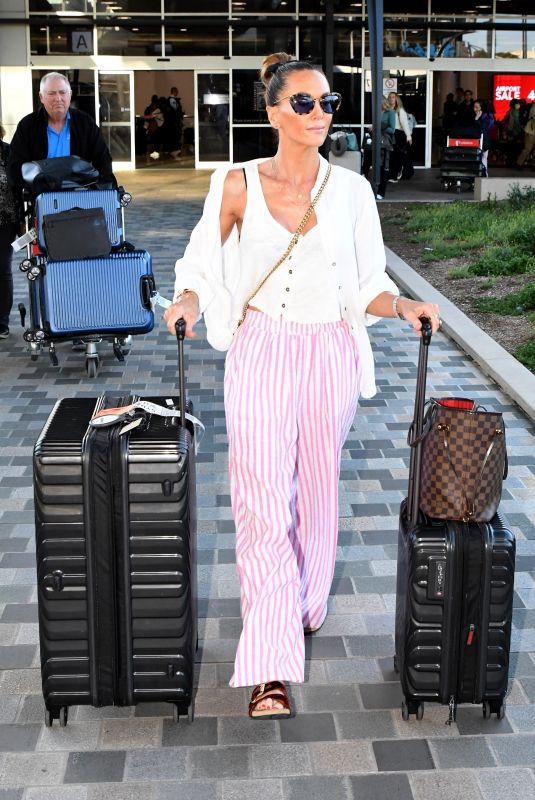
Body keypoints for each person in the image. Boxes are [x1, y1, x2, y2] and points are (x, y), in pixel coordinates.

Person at [163, 52, 441, 719]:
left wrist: (400, 306)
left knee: (315, 490)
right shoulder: (236, 183)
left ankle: (302, 600)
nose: (319, 114)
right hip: (260, 347)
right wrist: (189, 301)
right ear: (273, 111)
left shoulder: (350, 193)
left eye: (327, 103)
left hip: (329, 351)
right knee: (260, 500)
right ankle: (269, 663)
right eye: (305, 103)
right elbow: (200, 260)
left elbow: (369, 282)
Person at [7, 72, 114, 195]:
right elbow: (15, 167)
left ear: (70, 95)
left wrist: (96, 192)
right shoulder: (27, 126)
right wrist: (28, 192)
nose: (58, 98)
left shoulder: (85, 123)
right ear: (41, 97)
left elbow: (103, 161)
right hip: (41, 197)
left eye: (62, 92)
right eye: (51, 93)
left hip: (79, 195)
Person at [0, 123, 20, 339]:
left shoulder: (7, 152)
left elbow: (17, 186)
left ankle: (2, 323)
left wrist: (23, 220)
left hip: (5, 220)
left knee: (2, 268)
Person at [386, 92, 412, 182]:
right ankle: (391, 174)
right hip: (390, 134)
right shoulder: (387, 109)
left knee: (395, 156)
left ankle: (394, 175)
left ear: (396, 99)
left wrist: (408, 136)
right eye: (389, 97)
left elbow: (405, 124)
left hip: (398, 134)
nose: (391, 99)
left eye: (393, 97)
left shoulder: (400, 110)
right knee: (390, 156)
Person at [375, 97, 396, 200]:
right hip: (377, 141)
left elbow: (392, 129)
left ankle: (381, 191)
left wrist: (380, 126)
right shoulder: (377, 112)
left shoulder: (390, 112)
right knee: (376, 165)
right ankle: (376, 189)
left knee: (384, 167)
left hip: (386, 143)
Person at [474, 99, 494, 176]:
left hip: (484, 141)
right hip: (476, 141)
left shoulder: (486, 117)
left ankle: (484, 174)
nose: (475, 109)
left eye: (477, 107)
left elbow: (482, 129)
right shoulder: (475, 115)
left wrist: (476, 119)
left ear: (481, 108)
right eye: (474, 107)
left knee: (484, 157)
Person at [516, 102, 535, 169]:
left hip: (531, 130)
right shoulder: (534, 107)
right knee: (527, 149)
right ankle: (519, 163)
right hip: (531, 131)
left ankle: (533, 164)